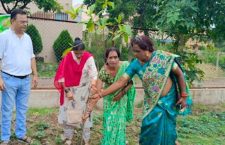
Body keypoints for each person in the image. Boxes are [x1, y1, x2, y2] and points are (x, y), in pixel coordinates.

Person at [84, 35, 192, 145]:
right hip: (151, 102)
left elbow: (179, 74)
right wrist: (101, 94)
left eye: (137, 51)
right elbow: (121, 81)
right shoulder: (135, 64)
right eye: (133, 51)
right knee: (148, 127)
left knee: (168, 131)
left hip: (168, 100)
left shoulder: (162, 58)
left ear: (146, 49)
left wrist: (184, 95)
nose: (135, 54)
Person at [0, 9, 38, 145]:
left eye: (26, 22)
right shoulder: (3, 37)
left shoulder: (27, 38)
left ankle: (20, 134)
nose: (25, 24)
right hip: (8, 79)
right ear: (12, 21)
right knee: (7, 110)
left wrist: (35, 74)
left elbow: (32, 57)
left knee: (22, 109)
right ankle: (5, 137)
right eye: (22, 22)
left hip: (25, 80)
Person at [54, 37, 98, 145]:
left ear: (84, 51)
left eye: (81, 53)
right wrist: (67, 91)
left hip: (84, 91)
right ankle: (68, 138)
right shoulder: (68, 57)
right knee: (70, 114)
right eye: (77, 53)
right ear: (73, 51)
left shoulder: (88, 57)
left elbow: (94, 73)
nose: (79, 56)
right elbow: (61, 75)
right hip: (70, 92)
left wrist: (93, 84)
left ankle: (85, 139)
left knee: (85, 114)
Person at [96, 47, 136, 145]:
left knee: (119, 122)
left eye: (115, 57)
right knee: (109, 121)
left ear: (119, 58)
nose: (113, 60)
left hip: (122, 98)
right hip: (109, 99)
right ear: (106, 59)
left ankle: (119, 142)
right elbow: (98, 88)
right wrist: (95, 93)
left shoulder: (125, 66)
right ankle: (108, 142)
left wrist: (121, 93)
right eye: (110, 58)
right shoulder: (103, 71)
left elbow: (130, 83)